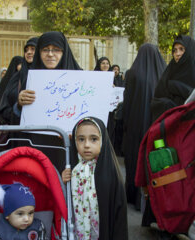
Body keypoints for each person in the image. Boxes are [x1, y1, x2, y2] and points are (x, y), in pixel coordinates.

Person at [14, 31, 82, 172]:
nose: (50, 54)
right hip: (37, 146)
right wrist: (19, 103)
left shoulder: (80, 78)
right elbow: (16, 116)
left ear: (64, 52)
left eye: (56, 49)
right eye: (45, 50)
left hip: (67, 148)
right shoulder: (29, 79)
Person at [62, 117, 128, 240]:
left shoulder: (110, 173)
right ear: (75, 141)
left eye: (93, 139)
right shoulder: (72, 170)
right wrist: (64, 181)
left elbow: (119, 214)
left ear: (103, 140)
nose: (87, 145)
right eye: (81, 139)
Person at [122, 43, 166, 211]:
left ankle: (134, 196)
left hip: (135, 126)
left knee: (135, 159)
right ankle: (154, 198)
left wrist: (125, 124)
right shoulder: (164, 72)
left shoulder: (133, 73)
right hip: (157, 127)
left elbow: (127, 102)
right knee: (155, 160)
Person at [151, 35, 195, 121]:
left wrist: (176, 86)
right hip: (169, 127)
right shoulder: (170, 72)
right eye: (174, 50)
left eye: (181, 49)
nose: (177, 54)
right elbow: (156, 99)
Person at [0, 37, 38, 125]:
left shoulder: (46, 75)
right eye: (26, 50)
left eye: (33, 49)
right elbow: (5, 107)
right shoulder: (17, 77)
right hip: (19, 130)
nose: (29, 52)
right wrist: (18, 106)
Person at [0, 55, 23, 124]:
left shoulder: (22, 77)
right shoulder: (9, 80)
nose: (21, 66)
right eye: (19, 64)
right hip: (6, 115)